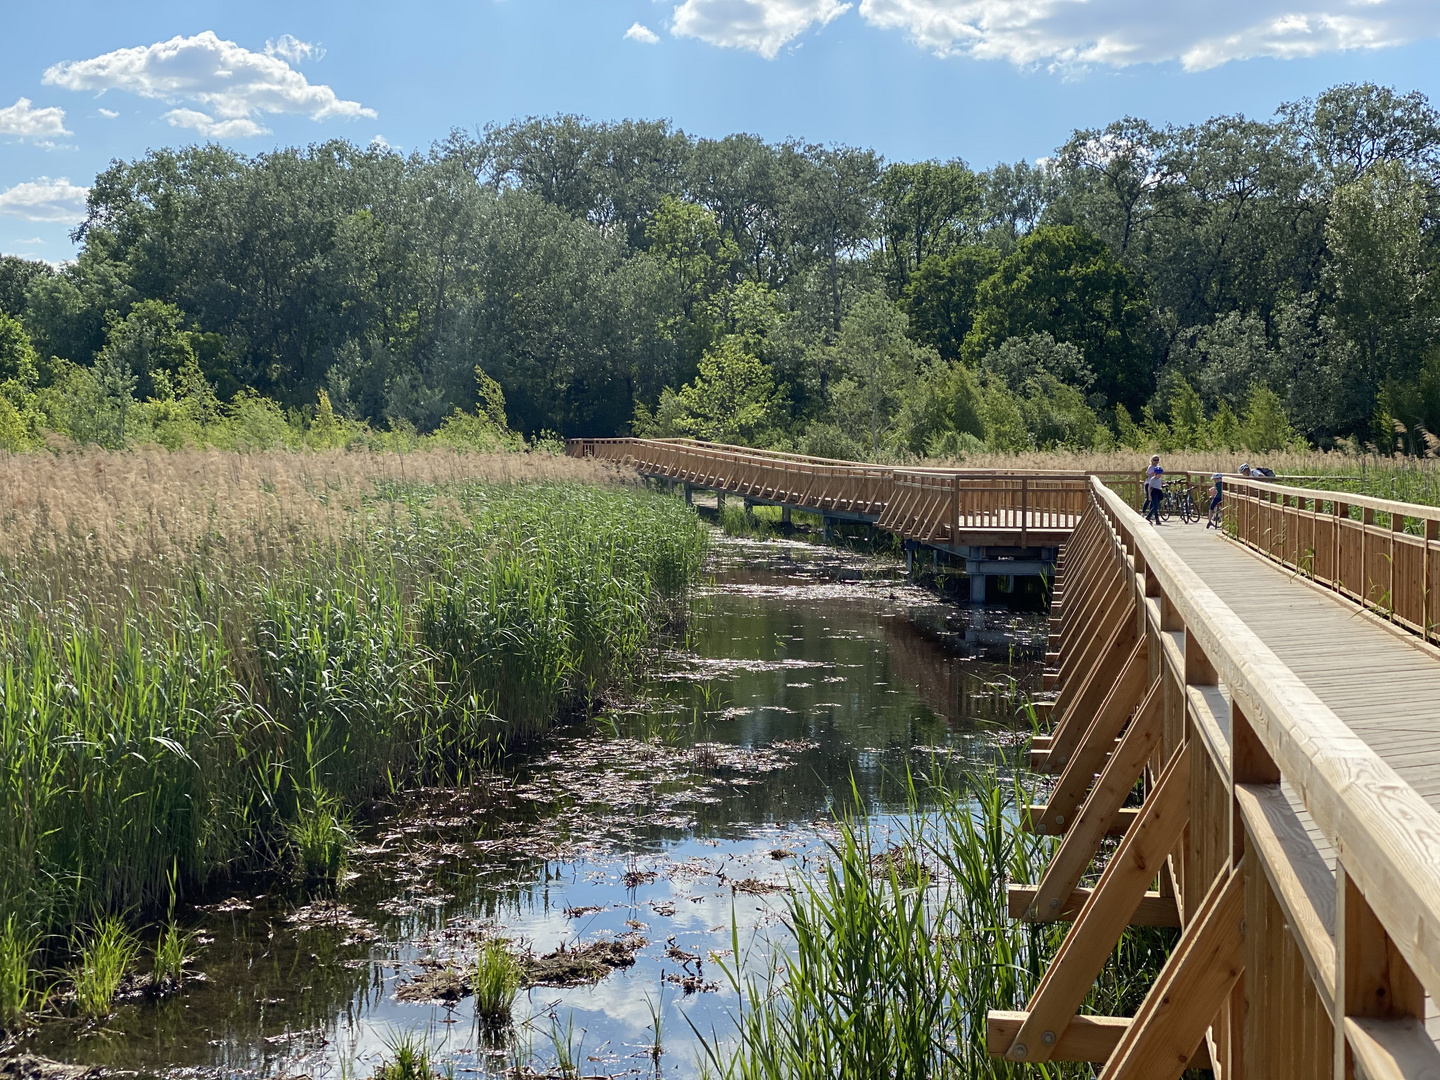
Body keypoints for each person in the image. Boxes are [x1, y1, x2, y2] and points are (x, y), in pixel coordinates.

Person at [1144, 455, 1164, 524]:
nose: (1159, 475)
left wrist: (1165, 484)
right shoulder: (1152, 479)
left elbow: (1160, 482)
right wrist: (1149, 495)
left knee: (1156, 505)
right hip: (1153, 491)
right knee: (1155, 505)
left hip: (1158, 491)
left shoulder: (1160, 479)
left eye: (1160, 474)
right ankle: (1155, 519)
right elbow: (1149, 487)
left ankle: (1149, 517)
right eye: (1158, 474)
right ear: (1154, 474)